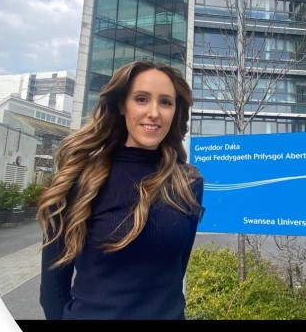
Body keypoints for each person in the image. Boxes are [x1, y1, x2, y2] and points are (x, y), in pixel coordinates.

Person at [37, 60, 204, 320]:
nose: (154, 112)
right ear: (121, 106)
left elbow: (176, 269)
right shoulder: (80, 179)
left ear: (175, 111)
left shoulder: (188, 182)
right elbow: (52, 288)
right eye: (141, 99)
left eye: (165, 102)